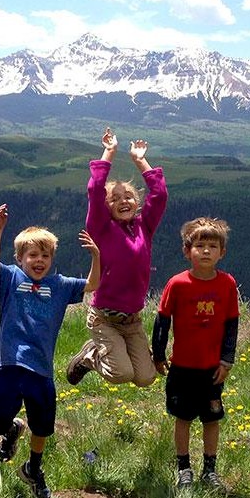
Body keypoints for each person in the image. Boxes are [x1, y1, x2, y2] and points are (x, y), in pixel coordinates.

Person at [0, 204, 99, 498]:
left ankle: (33, 469)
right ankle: (11, 431)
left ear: (51, 259)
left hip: (40, 369)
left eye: (45, 255)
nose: (39, 260)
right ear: (20, 258)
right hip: (7, 364)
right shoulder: (10, 279)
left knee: (43, 426)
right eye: (32, 255)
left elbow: (92, 284)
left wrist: (96, 256)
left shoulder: (60, 286)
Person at [67, 127, 167, 387]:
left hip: (132, 320)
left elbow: (160, 195)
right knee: (121, 374)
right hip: (104, 318)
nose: (124, 201)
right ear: (106, 206)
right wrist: (109, 152)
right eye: (116, 199)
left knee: (146, 378)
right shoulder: (101, 228)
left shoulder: (144, 226)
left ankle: (113, 351)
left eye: (129, 197)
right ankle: (90, 355)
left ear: (137, 202)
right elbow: (95, 188)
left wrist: (139, 160)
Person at [152, 218, 239, 492]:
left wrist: (227, 359)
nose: (205, 251)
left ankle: (210, 471)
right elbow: (162, 321)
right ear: (187, 250)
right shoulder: (177, 284)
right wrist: (158, 354)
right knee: (183, 417)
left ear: (222, 252)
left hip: (212, 368)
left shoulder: (227, 284)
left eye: (212, 246)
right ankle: (184, 468)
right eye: (199, 245)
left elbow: (231, 325)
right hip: (182, 367)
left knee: (212, 418)